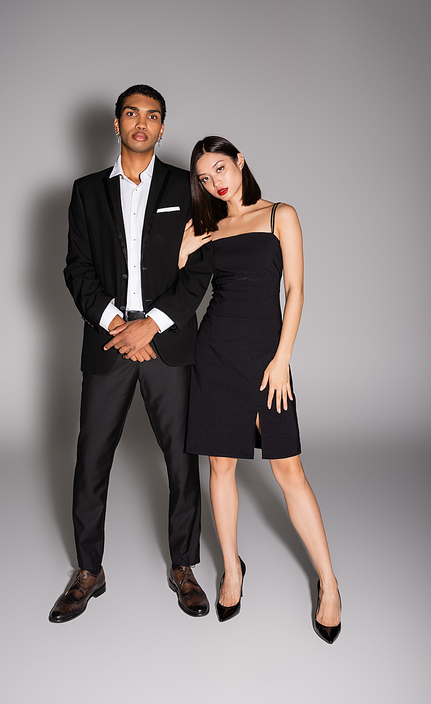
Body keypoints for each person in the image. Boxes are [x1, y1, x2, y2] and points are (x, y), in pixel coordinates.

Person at [48, 86, 213, 623]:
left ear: (163, 129)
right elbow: (77, 268)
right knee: (92, 458)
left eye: (153, 116)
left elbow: (200, 269)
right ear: (116, 124)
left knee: (182, 462)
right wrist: (117, 324)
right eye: (132, 114)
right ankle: (89, 571)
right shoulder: (86, 192)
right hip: (109, 340)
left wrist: (153, 325)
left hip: (167, 342)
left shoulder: (188, 188)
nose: (142, 123)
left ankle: (184, 564)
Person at [182, 136, 341, 642]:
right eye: (205, 178)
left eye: (221, 168)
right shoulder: (210, 228)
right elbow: (183, 295)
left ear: (241, 161)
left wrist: (281, 360)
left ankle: (330, 583)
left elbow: (295, 290)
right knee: (220, 466)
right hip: (215, 356)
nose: (216, 182)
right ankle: (232, 568)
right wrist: (185, 253)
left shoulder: (280, 215)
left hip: (266, 360)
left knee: (288, 469)